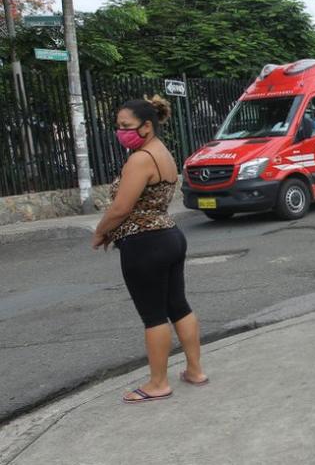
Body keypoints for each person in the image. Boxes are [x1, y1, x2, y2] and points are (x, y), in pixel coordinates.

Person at [93, 95, 208, 404]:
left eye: (125, 126)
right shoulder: (162, 153)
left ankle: (158, 383)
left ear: (146, 126)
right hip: (169, 236)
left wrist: (101, 232)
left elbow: (120, 208)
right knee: (178, 306)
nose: (120, 132)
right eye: (118, 126)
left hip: (144, 244)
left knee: (153, 315)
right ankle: (195, 371)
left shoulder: (141, 158)